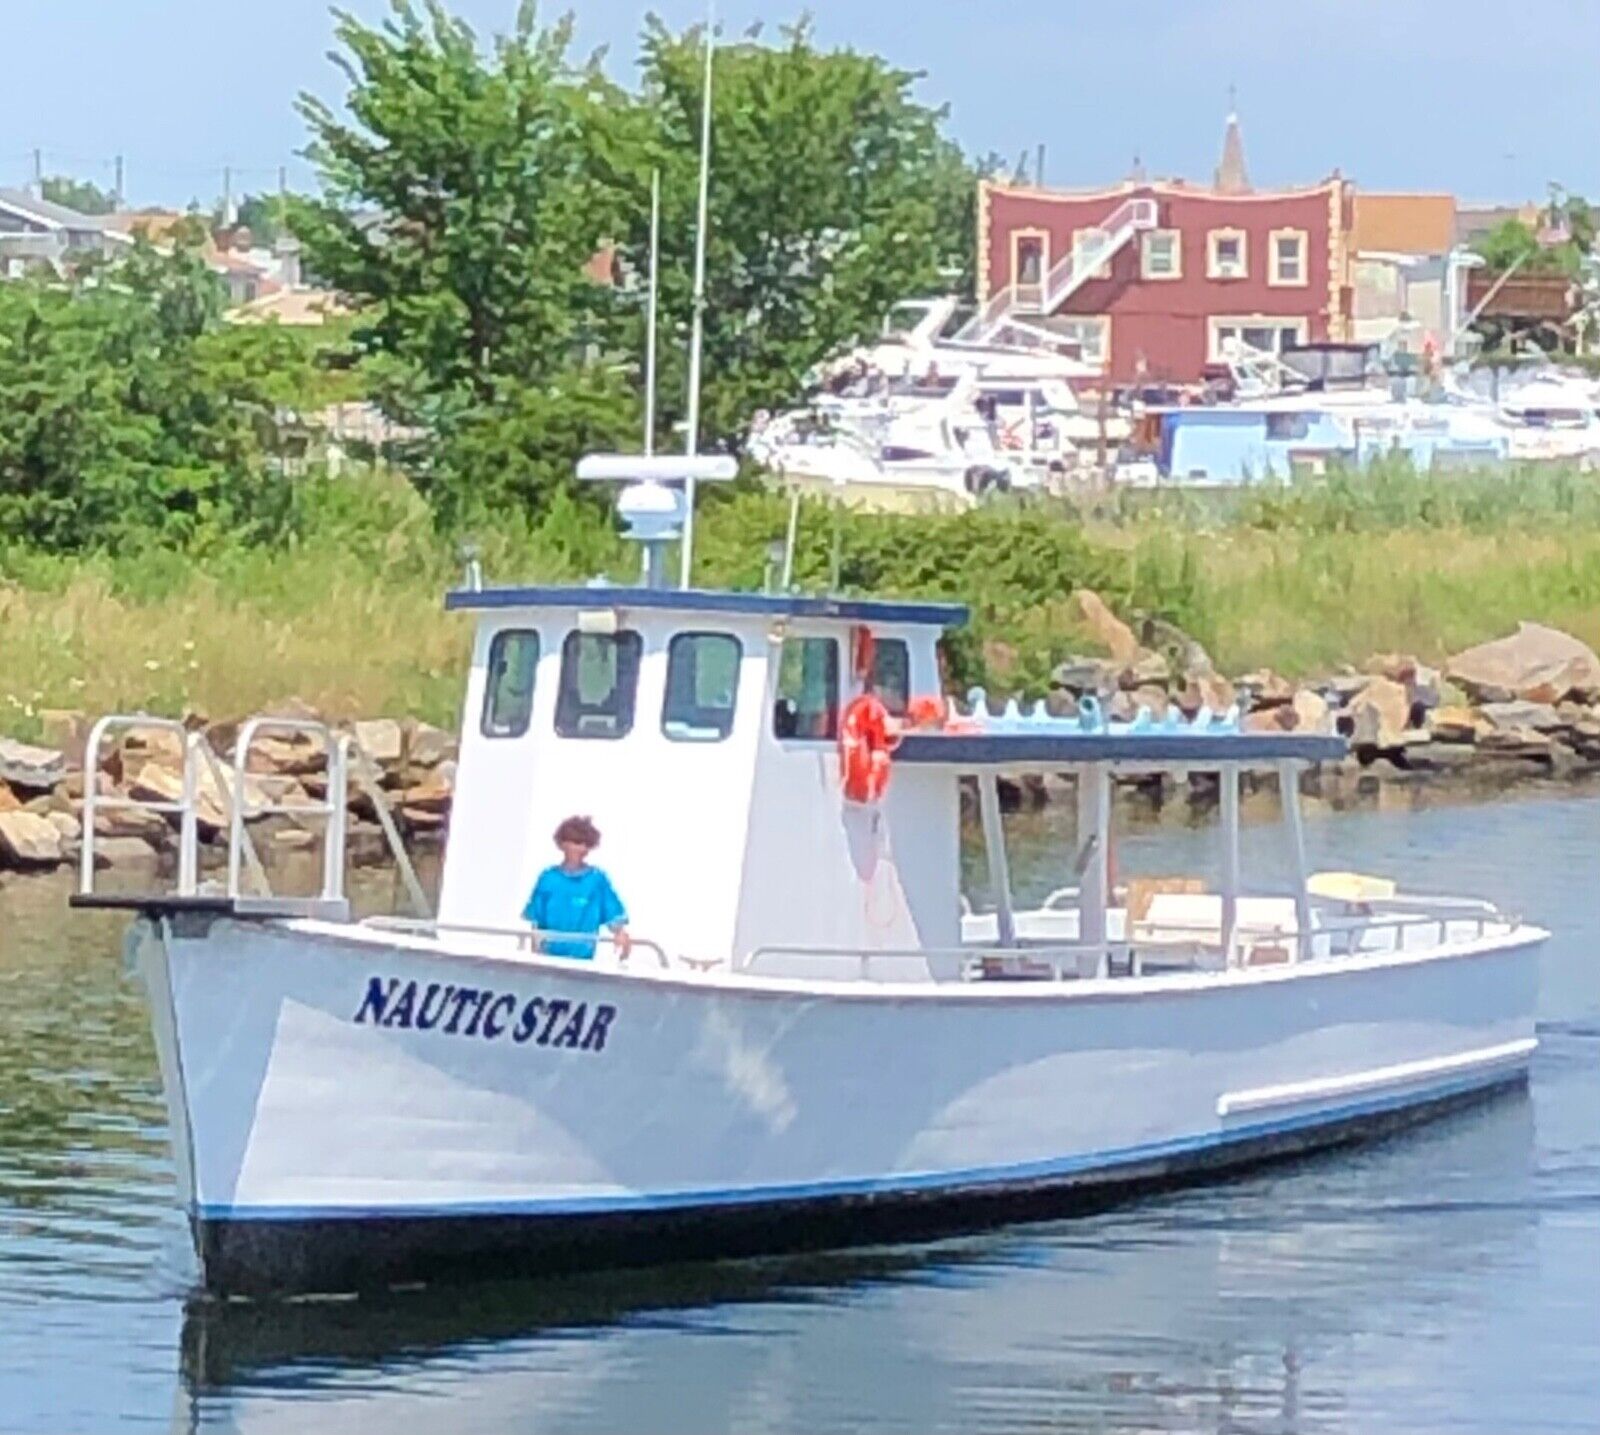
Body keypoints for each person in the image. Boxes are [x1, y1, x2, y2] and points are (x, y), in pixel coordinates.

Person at [523, 816, 631, 961]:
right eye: (576, 842)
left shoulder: (597, 879)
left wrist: (620, 933)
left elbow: (613, 913)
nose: (582, 848)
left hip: (582, 963)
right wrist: (536, 958)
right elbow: (536, 921)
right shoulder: (548, 878)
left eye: (587, 844)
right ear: (562, 844)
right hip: (548, 960)